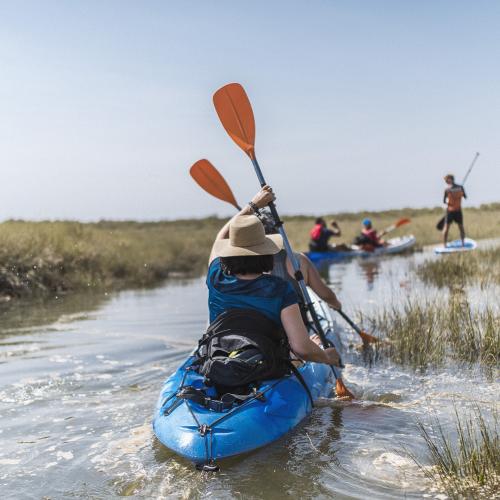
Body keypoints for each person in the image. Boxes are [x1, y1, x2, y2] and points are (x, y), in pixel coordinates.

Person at [205, 191, 340, 387]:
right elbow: (302, 348)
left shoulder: (215, 274)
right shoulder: (279, 289)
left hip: (219, 357)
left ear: (228, 253)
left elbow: (220, 237)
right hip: (266, 365)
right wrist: (326, 355)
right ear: (267, 254)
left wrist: (253, 204)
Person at [442, 174, 467, 247]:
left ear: (451, 179)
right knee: (447, 228)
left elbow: (465, 197)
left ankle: (462, 244)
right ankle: (445, 245)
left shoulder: (458, 188)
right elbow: (444, 201)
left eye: (447, 180)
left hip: (456, 211)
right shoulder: (448, 189)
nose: (446, 181)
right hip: (451, 211)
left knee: (460, 227)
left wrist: (460, 192)